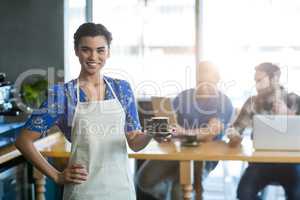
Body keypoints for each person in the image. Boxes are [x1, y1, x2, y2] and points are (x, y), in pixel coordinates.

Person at [15, 22, 152, 200]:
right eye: (86, 49)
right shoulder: (62, 95)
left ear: (108, 52)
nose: (93, 56)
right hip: (83, 191)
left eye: (100, 50)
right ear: (76, 51)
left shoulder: (122, 89)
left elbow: (134, 141)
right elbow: (23, 141)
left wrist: (152, 133)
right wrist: (57, 175)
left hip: (121, 190)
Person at [136, 61, 234, 200]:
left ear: (217, 81)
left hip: (204, 157)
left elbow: (209, 133)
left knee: (179, 190)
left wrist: (183, 132)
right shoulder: (184, 96)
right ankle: (169, 193)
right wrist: (162, 128)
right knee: (143, 181)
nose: (203, 86)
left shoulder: (224, 102)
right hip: (178, 151)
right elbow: (170, 123)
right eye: (200, 80)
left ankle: (175, 192)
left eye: (208, 82)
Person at [228, 62, 300, 200]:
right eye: (255, 81)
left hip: (291, 163)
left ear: (274, 79)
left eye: (260, 80)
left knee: (297, 195)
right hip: (260, 162)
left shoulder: (294, 100)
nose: (256, 85)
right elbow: (235, 129)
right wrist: (234, 136)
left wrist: (288, 114)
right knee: (244, 194)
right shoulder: (252, 102)